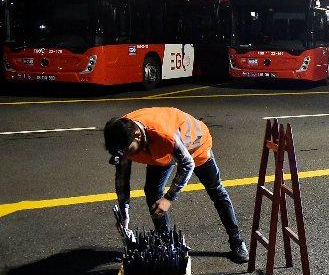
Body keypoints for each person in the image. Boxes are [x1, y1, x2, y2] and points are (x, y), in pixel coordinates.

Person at [103, 107, 249, 262]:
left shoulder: (164, 135)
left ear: (137, 136)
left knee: (216, 191)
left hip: (196, 145)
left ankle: (237, 241)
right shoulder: (121, 136)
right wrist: (124, 211)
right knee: (152, 192)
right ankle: (167, 243)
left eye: (127, 152)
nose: (125, 157)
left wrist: (168, 198)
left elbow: (187, 164)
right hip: (161, 151)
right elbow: (122, 178)